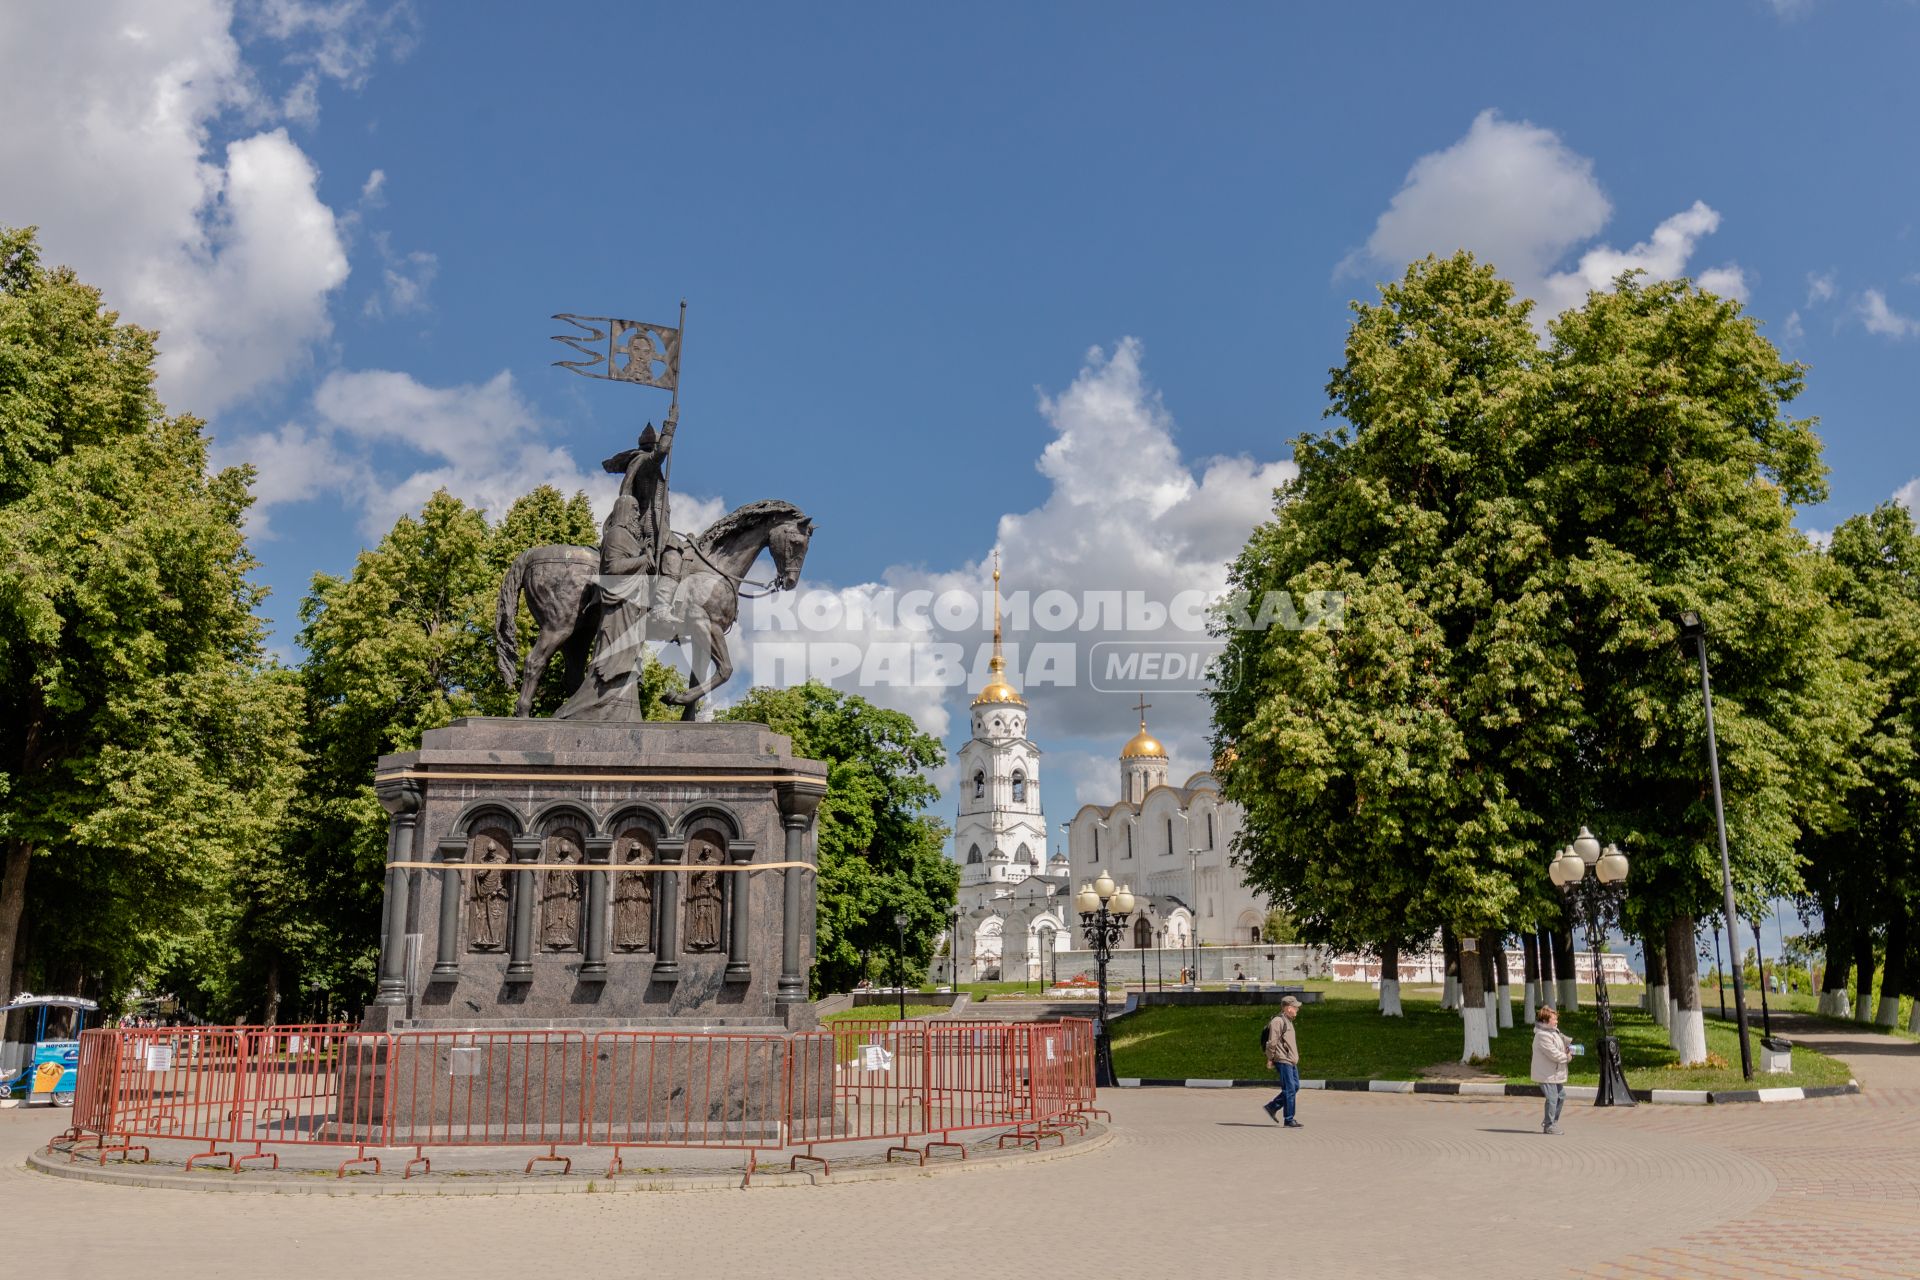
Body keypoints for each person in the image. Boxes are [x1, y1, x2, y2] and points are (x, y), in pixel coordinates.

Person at [1262, 995, 1304, 1127]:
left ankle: (1272, 1107)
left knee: (1295, 1087)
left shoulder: (1288, 1021)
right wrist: (1270, 1058)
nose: (1297, 1009)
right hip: (1282, 1059)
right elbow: (1272, 1042)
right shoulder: (1278, 1021)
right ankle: (1289, 1118)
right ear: (1288, 1008)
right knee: (1290, 1088)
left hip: (1291, 1060)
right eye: (1295, 1007)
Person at [1532, 1005, 1573, 1134]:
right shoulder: (1542, 1036)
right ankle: (1549, 1125)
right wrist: (1567, 1057)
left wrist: (1568, 1049)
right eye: (1554, 1019)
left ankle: (1551, 1123)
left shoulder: (1553, 1032)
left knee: (1561, 1096)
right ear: (1545, 1021)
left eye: (1556, 1019)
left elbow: (1558, 1048)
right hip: (1546, 1074)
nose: (1556, 1021)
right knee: (1552, 1097)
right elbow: (1553, 1054)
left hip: (1554, 1072)